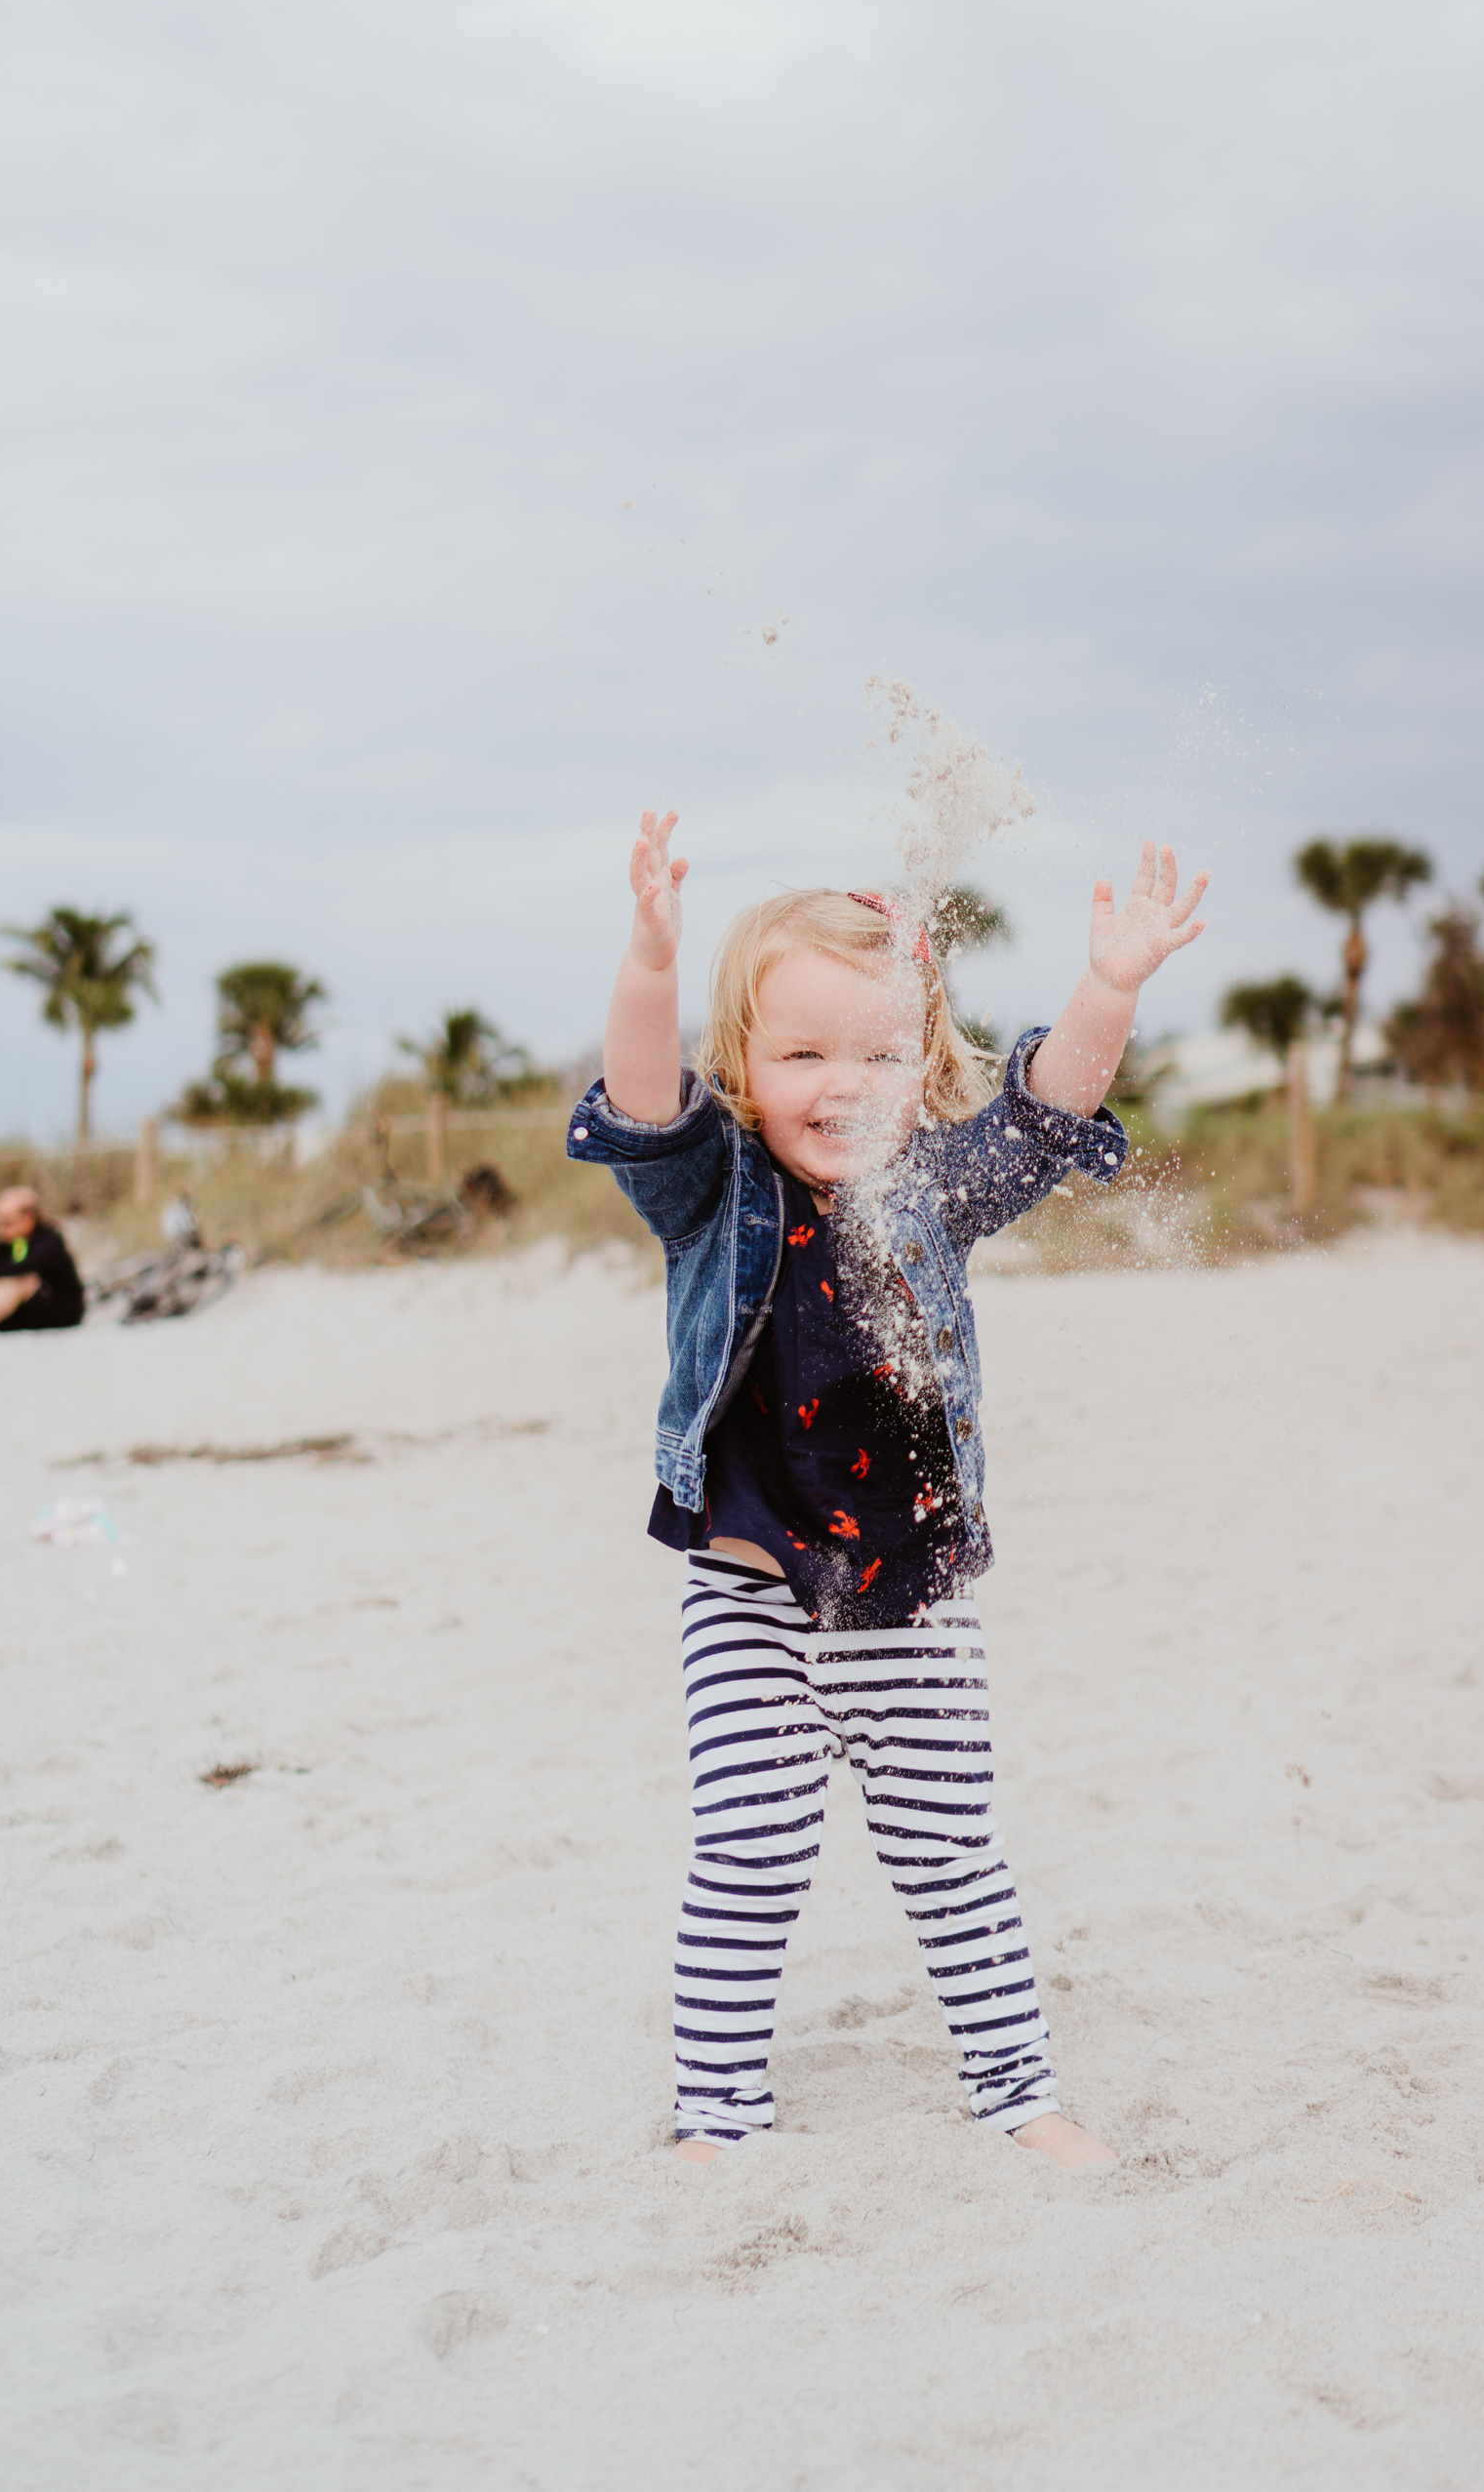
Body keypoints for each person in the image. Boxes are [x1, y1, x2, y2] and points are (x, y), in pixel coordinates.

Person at [569, 810, 1208, 2170]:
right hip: (747, 1598)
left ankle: (1021, 2092)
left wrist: (1113, 985)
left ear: (922, 1069)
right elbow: (637, 1096)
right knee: (750, 1849)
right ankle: (716, 2111)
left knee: (952, 1854)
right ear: (741, 1064)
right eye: (802, 1053)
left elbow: (1054, 1110)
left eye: (877, 1052)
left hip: (906, 1600)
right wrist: (650, 957)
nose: (842, 1084)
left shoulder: (934, 1188)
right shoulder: (712, 1185)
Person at [0, 1187, 86, 1333]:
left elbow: (24, 1265)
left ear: (29, 1219)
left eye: (7, 1223)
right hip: (21, 1317)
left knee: (20, 1281)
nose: (2, 1229)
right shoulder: (15, 1243)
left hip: (57, 1314)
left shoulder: (50, 1241)